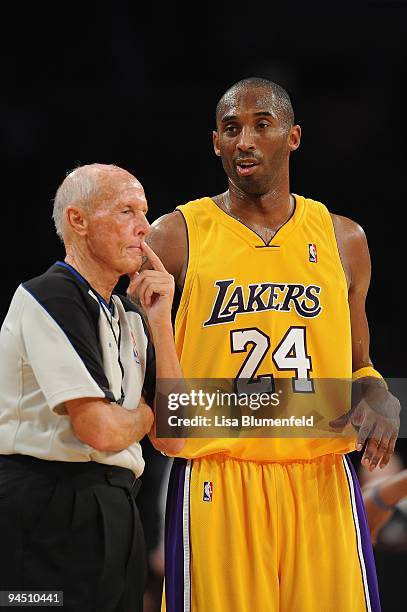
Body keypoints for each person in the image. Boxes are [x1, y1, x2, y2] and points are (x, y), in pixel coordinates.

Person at [137, 78, 401, 611]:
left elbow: (361, 363)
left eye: (262, 125)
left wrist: (378, 392)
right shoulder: (175, 235)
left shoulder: (343, 237)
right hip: (219, 474)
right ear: (216, 142)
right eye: (231, 129)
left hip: (323, 474)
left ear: (294, 136)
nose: (245, 141)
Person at [0, 163, 183, 612]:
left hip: (119, 508)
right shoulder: (51, 294)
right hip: (47, 507)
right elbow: (98, 429)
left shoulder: (134, 315)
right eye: (126, 211)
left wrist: (162, 323)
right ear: (77, 221)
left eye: (144, 212)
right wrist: (145, 413)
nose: (144, 228)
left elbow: (177, 433)